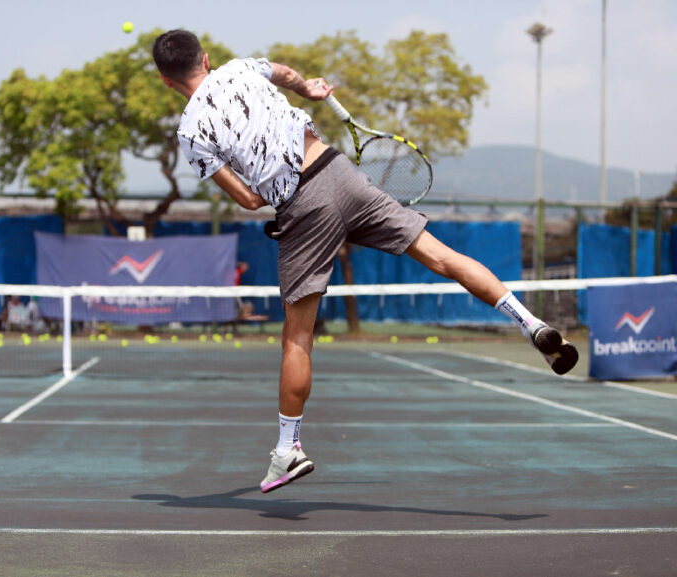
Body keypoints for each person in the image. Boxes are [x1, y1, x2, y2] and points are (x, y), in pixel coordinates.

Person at [152, 29, 579, 494]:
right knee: (441, 256)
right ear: (206, 58)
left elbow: (248, 200)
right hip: (340, 171)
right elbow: (292, 75)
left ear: (165, 80)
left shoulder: (192, 132)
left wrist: (276, 202)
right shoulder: (242, 67)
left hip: (301, 207)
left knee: (297, 337)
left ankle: (288, 449)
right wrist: (308, 89)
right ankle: (528, 321)